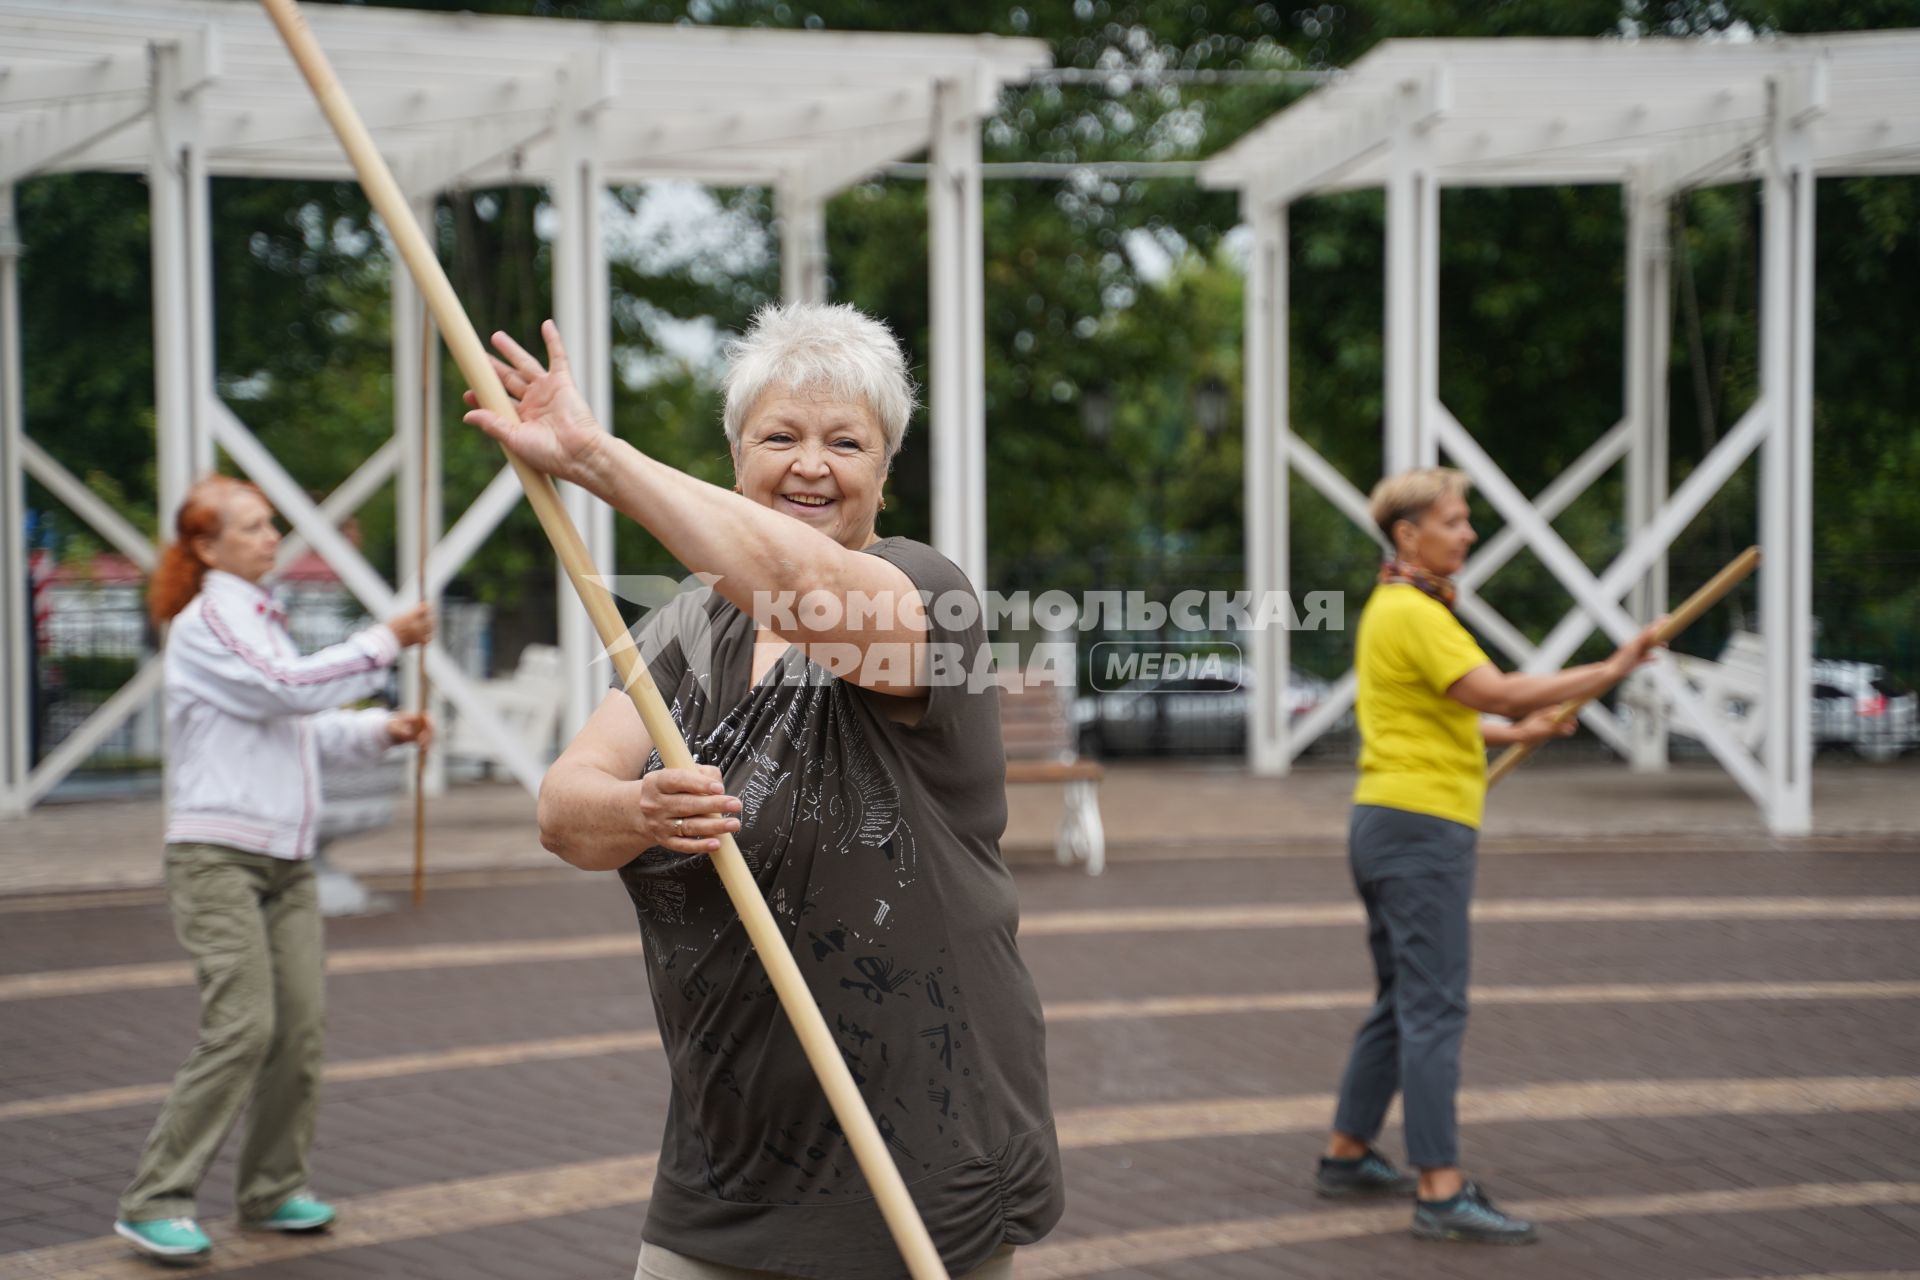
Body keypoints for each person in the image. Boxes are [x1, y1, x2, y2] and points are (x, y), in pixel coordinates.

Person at [465, 303, 1064, 1280]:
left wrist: (596, 457)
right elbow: (563, 809)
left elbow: (796, 579)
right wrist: (636, 810)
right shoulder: (697, 627)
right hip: (728, 1140)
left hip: (918, 1140)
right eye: (778, 436)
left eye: (845, 441)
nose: (810, 464)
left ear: (885, 469)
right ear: (736, 457)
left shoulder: (921, 594)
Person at [1314, 467, 1661, 1245]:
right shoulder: (1416, 612)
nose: (1468, 533)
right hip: (1421, 830)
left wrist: (1523, 733)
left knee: (1400, 1000)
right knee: (1434, 1009)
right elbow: (1496, 692)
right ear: (1409, 534)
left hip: (1383, 820)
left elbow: (1446, 718)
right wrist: (1610, 668)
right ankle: (1439, 1190)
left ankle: (1347, 1151)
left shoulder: (1388, 609)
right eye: (1454, 519)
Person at [114, 475, 433, 1262]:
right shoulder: (205, 621)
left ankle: (269, 1191)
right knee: (244, 1026)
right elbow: (284, 692)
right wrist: (385, 640)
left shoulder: (259, 618)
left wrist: (379, 731)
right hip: (216, 856)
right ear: (204, 544)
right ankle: (154, 1197)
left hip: (285, 859)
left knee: (299, 1030)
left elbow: (295, 727)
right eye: (252, 527)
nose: (270, 538)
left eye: (270, 524)